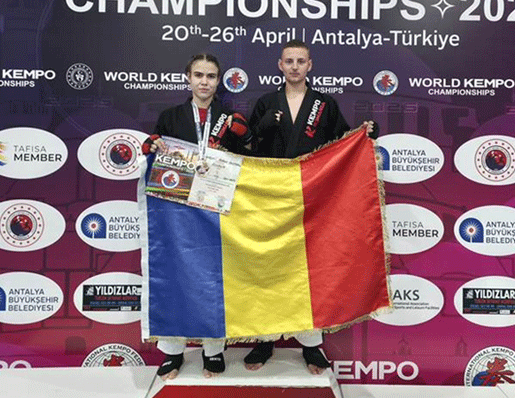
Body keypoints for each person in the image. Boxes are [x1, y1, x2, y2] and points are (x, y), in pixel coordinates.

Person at [245, 39, 377, 374]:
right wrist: (264, 126)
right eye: (288, 61)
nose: (294, 67)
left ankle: (311, 344)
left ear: (309, 65)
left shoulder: (324, 104)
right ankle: (265, 338)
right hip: (271, 199)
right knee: (271, 269)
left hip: (313, 200)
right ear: (279, 65)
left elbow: (342, 143)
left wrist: (366, 134)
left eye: (300, 61)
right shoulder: (265, 103)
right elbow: (247, 146)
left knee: (311, 271)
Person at [142, 54, 252, 380]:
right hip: (176, 210)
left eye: (211, 76)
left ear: (219, 82)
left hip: (216, 209)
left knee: (212, 280)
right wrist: (152, 144)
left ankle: (213, 350)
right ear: (188, 78)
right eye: (199, 75)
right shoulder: (171, 116)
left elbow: (250, 160)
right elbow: (153, 147)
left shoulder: (228, 117)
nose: (205, 82)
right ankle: (173, 353)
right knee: (175, 277)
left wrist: (244, 137)